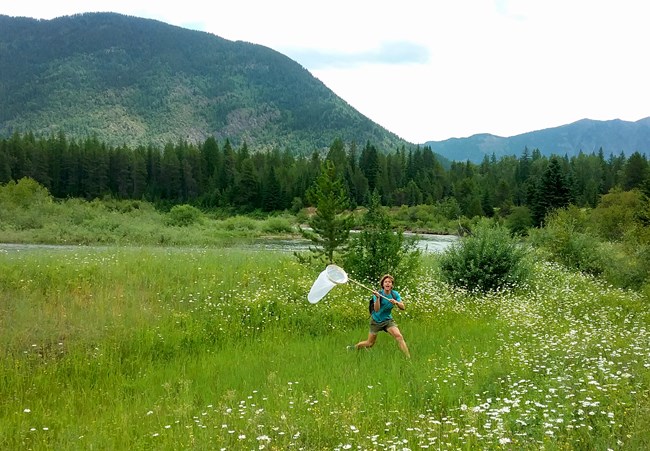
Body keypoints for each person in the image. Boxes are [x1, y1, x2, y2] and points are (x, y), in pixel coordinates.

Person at [351, 274, 411, 358]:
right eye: (385, 282)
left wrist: (396, 302)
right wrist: (378, 298)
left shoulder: (395, 294)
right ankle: (354, 348)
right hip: (376, 321)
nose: (387, 283)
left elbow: (403, 307)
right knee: (370, 343)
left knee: (399, 336)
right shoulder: (378, 294)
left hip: (387, 320)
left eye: (389, 282)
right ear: (383, 284)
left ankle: (408, 358)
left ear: (392, 285)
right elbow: (376, 309)